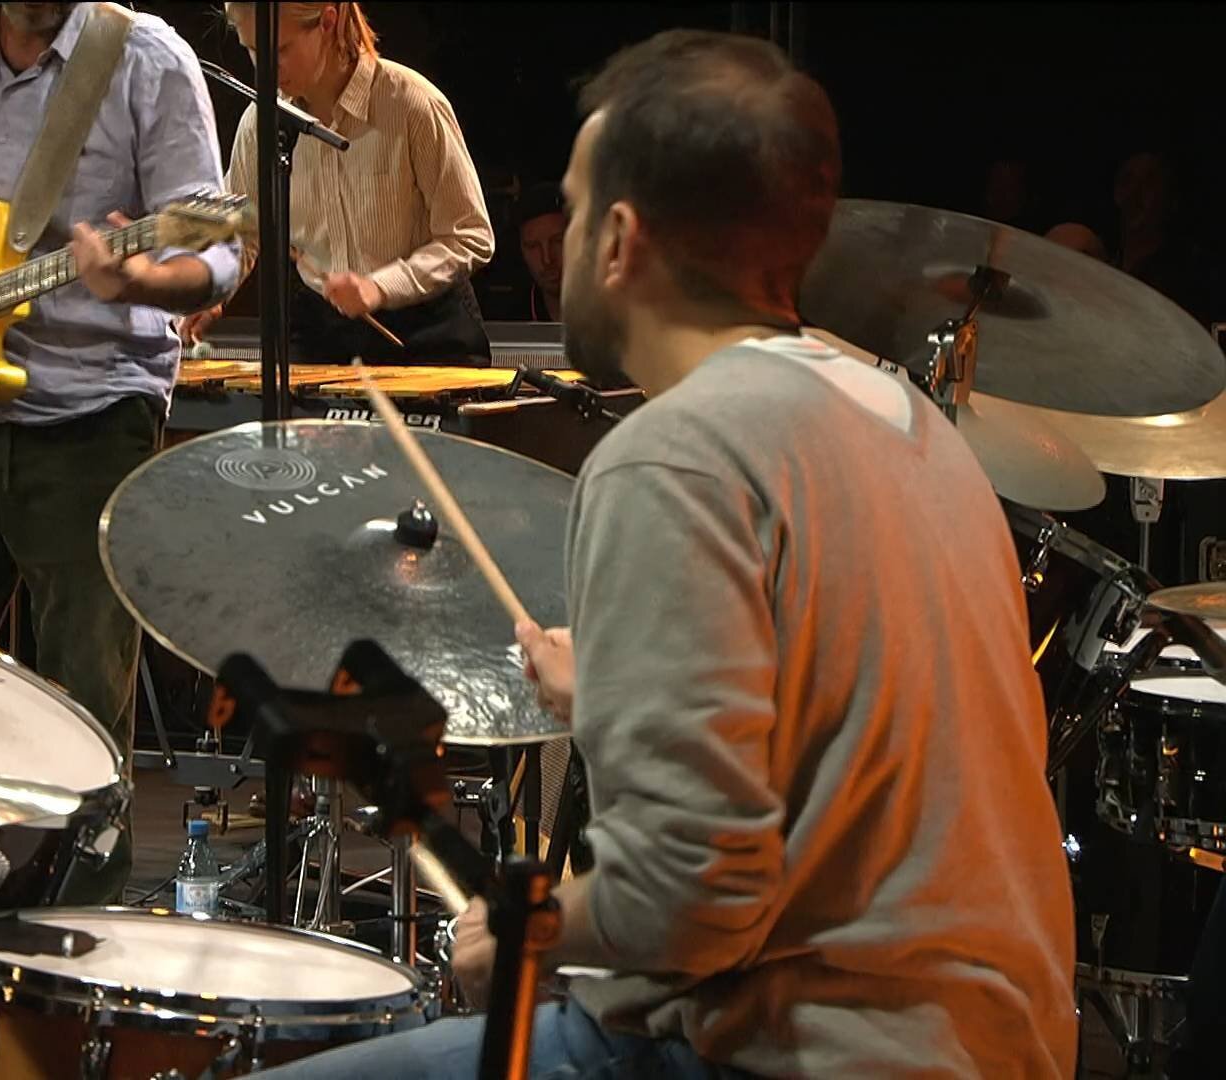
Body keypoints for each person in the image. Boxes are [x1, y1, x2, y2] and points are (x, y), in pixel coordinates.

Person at [258, 29, 1075, 1079]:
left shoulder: (674, 454)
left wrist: (527, 928)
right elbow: (837, 734)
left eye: (574, 207)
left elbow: (696, 896)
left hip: (805, 1050)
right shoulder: (913, 425)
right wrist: (608, 690)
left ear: (618, 238)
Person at [0, 1, 237, 899]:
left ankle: (76, 932)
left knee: (85, 702)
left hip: (91, 412)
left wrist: (141, 279)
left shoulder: (144, 58)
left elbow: (215, 250)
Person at [180, 2, 495, 365]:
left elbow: (469, 235)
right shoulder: (260, 123)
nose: (265, 70)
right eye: (253, 50)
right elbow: (242, 225)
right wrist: (214, 288)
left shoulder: (411, 104)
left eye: (281, 50)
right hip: (322, 331)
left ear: (328, 22)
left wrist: (380, 286)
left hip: (428, 329)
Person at [515, 181, 565, 322]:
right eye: (533, 246)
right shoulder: (510, 320)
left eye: (558, 241)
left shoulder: (614, 311)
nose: (547, 259)